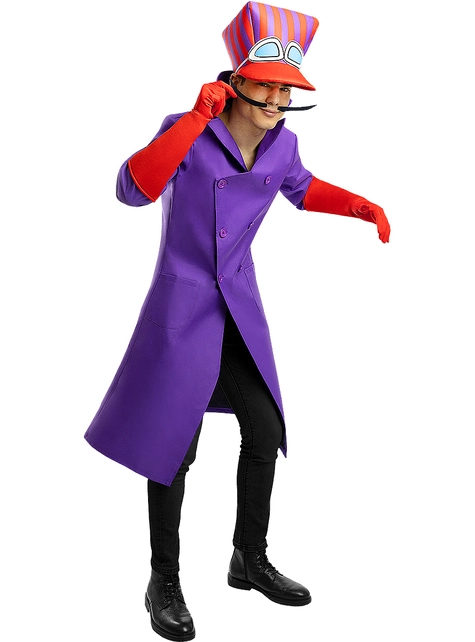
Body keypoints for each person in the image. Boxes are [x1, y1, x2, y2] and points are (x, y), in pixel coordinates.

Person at [84, 2, 390, 640]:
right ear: (235, 81)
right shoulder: (187, 130)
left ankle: (248, 557)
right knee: (173, 446)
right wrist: (195, 119)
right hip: (182, 308)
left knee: (265, 427)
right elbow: (132, 188)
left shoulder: (284, 144)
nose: (278, 99)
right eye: (267, 84)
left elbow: (301, 188)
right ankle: (163, 580)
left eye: (288, 88)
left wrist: (359, 205)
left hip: (239, 308)